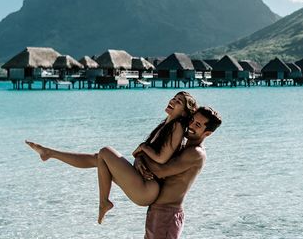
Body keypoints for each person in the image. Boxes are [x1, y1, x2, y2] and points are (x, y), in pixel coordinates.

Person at [25, 91, 197, 223]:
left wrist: (143, 148)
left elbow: (162, 159)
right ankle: (50, 153)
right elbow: (144, 155)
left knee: (105, 152)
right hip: (144, 184)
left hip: (147, 189)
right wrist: (138, 158)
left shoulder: (177, 126)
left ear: (184, 113)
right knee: (99, 158)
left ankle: (104, 202)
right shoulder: (166, 124)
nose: (172, 101)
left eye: (178, 101)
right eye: (174, 98)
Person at [136, 105, 222, 239]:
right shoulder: (183, 145)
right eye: (193, 121)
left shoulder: (195, 153)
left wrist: (142, 152)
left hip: (168, 213)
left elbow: (161, 170)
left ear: (207, 133)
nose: (192, 126)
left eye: (199, 125)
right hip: (156, 210)